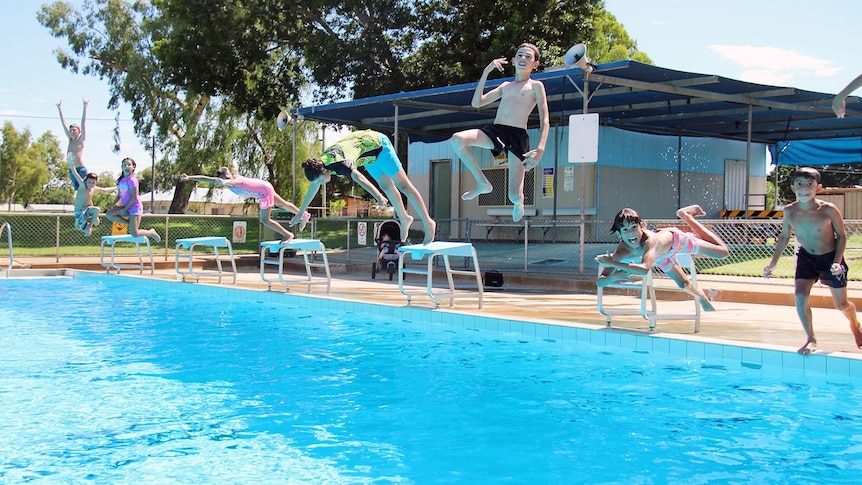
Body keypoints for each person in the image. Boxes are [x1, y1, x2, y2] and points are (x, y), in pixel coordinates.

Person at [764, 167, 862, 355]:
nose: (804, 188)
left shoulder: (828, 210)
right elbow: (784, 237)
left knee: (841, 305)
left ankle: (855, 323)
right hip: (806, 257)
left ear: (818, 188)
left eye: (809, 184)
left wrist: (837, 261)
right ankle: (811, 338)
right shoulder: (789, 211)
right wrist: (773, 262)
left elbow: (841, 236)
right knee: (800, 297)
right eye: (799, 184)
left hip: (830, 257)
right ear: (793, 187)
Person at [449, 42, 550, 222]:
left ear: (535, 64)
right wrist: (486, 72)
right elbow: (477, 103)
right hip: (497, 131)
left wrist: (540, 148)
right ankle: (482, 183)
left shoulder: (536, 86)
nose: (523, 59)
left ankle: (520, 202)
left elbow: (545, 119)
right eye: (519, 55)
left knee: (513, 195)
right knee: (458, 139)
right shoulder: (505, 86)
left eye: (528, 56)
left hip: (518, 136)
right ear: (512, 60)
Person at [293, 130, 437, 244]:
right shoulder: (318, 164)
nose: (321, 184)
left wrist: (378, 196)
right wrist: (300, 212)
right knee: (386, 185)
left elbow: (360, 179)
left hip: (378, 146)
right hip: (366, 156)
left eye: (321, 180)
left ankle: (428, 222)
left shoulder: (341, 164)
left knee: (403, 185)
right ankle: (404, 218)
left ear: (324, 171)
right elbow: (313, 187)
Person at [596, 205, 729, 312]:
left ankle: (687, 216)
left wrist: (612, 263)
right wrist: (616, 277)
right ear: (619, 234)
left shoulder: (649, 241)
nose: (631, 233)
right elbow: (600, 283)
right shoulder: (621, 252)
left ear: (641, 226)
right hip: (660, 257)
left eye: (634, 227)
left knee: (723, 252)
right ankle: (701, 296)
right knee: (683, 284)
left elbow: (644, 270)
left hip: (677, 242)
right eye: (625, 230)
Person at [181, 167, 310, 243]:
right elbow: (206, 178)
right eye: (224, 179)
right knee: (284, 204)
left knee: (265, 219)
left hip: (264, 192)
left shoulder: (237, 180)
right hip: (265, 188)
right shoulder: (224, 180)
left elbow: (234, 182)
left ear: (231, 174)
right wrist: (189, 178)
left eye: (228, 178)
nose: (227, 180)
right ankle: (304, 215)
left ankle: (288, 235)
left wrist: (225, 183)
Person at [105, 157, 161, 243]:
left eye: (129, 165)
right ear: (122, 167)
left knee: (134, 233)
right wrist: (115, 205)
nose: (126, 167)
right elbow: (119, 195)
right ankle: (129, 223)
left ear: (133, 167)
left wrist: (124, 210)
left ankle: (151, 232)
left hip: (135, 208)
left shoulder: (132, 181)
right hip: (126, 206)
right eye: (124, 165)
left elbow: (133, 197)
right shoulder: (121, 181)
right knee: (109, 214)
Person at [67, 155, 115, 236]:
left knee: (97, 211)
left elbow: (105, 190)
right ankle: (80, 223)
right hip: (79, 211)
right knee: (86, 232)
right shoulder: (82, 185)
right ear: (86, 181)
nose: (91, 184)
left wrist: (117, 187)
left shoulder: (93, 188)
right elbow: (75, 173)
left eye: (93, 183)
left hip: (87, 210)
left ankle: (89, 225)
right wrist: (71, 162)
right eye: (89, 182)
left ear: (95, 183)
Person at [57, 99, 88, 190]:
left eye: (74, 130)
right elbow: (64, 123)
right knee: (77, 191)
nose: (72, 132)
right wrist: (59, 109)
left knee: (84, 190)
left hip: (80, 169)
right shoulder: (70, 139)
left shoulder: (81, 139)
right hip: (72, 170)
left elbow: (83, 122)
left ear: (79, 131)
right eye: (71, 130)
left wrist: (85, 107)